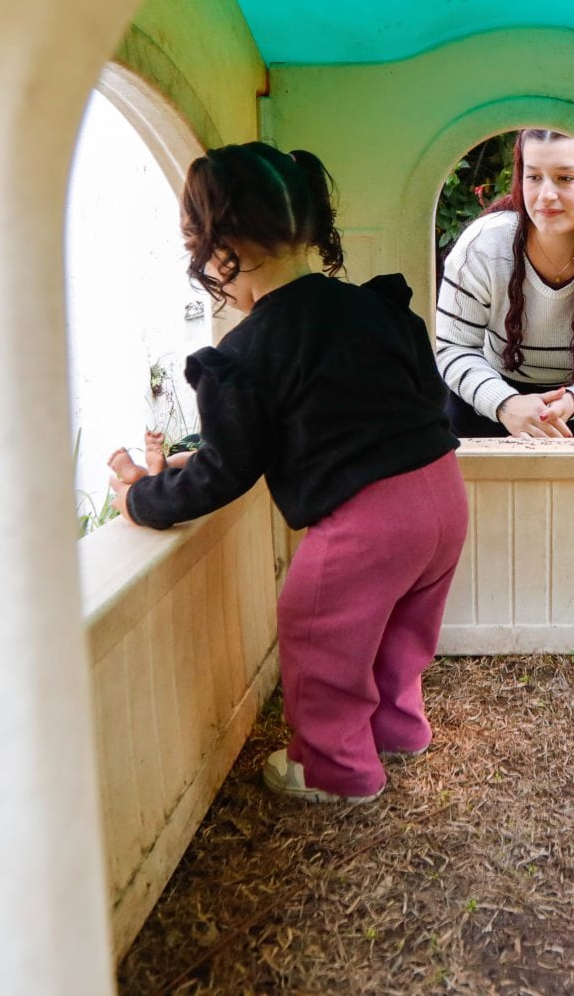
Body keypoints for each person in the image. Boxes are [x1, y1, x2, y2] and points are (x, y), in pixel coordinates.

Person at [106, 143, 465, 805]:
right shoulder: (378, 307)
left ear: (222, 250)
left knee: (321, 627)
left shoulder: (246, 351)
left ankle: (335, 769)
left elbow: (227, 471)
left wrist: (143, 497)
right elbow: (403, 403)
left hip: (369, 522)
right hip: (442, 494)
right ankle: (398, 726)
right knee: (397, 625)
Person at [435, 128, 574, 439]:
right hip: (496, 391)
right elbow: (452, 347)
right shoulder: (484, 245)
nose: (546, 195)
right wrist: (505, 403)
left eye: (566, 178)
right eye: (534, 177)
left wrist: (573, 402)